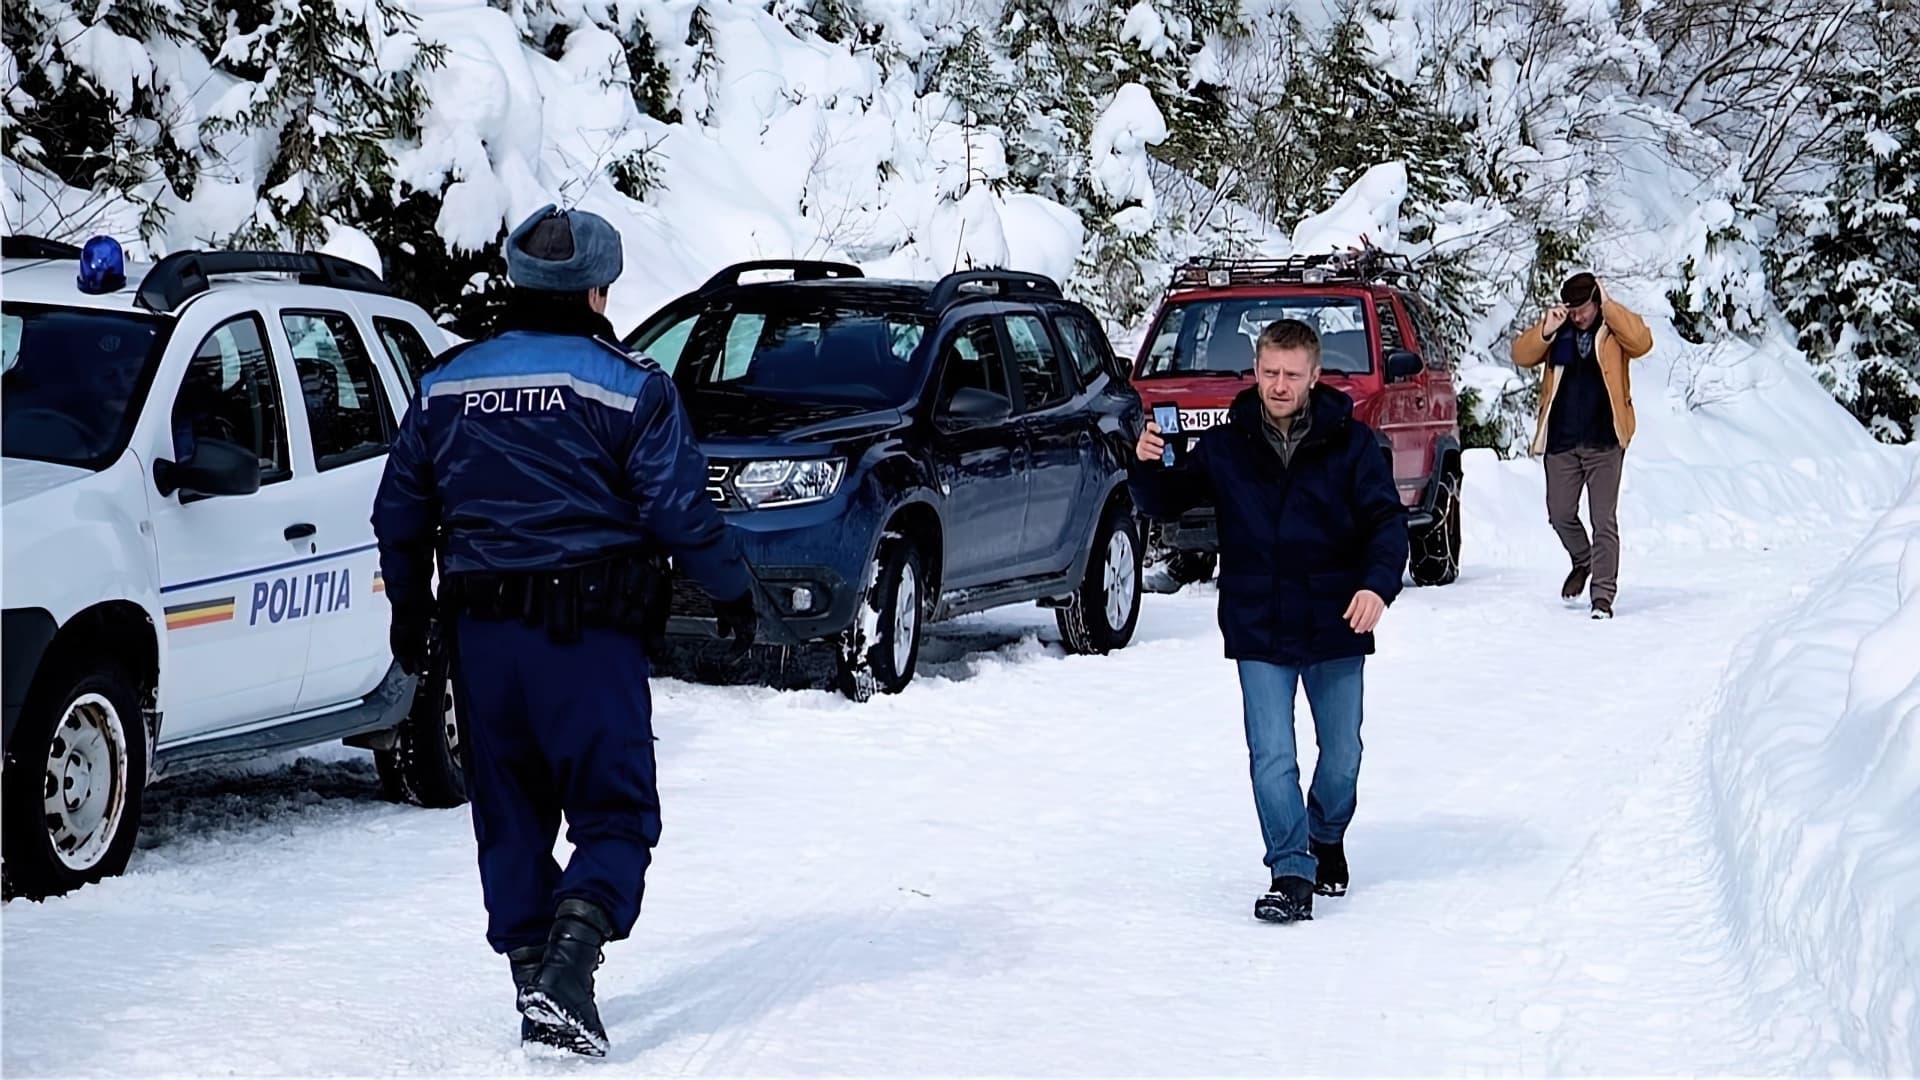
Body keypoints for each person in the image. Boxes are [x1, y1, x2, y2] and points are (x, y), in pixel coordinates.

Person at [372, 203, 760, 1057]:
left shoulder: (444, 384)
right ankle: (569, 972)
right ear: (596, 290)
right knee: (615, 812)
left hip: (481, 640)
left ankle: (533, 977)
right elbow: (679, 509)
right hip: (588, 637)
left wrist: (408, 610)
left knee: (507, 814)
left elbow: (399, 509)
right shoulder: (630, 386)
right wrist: (734, 593)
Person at [1131, 319, 1409, 924]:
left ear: (1314, 376)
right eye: (1269, 373)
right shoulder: (1229, 445)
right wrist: (1148, 464)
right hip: (1258, 620)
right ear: (1255, 372)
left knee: (1342, 758)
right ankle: (1290, 869)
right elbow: (1167, 499)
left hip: (1338, 617)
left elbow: (1386, 524)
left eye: (1291, 374)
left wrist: (1376, 585)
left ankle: (1325, 834)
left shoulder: (1352, 444)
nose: (1279, 385)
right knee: (1271, 756)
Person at [1509, 271, 1654, 619]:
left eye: (1583, 308)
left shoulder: (1613, 329)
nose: (1578, 315)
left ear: (1595, 301)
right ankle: (1582, 559)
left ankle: (1602, 596)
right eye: (1572, 309)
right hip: (1562, 440)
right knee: (1559, 513)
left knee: (1603, 520)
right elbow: (1521, 354)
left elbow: (1642, 342)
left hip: (1604, 440)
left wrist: (1610, 307)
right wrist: (1546, 329)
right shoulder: (1558, 330)